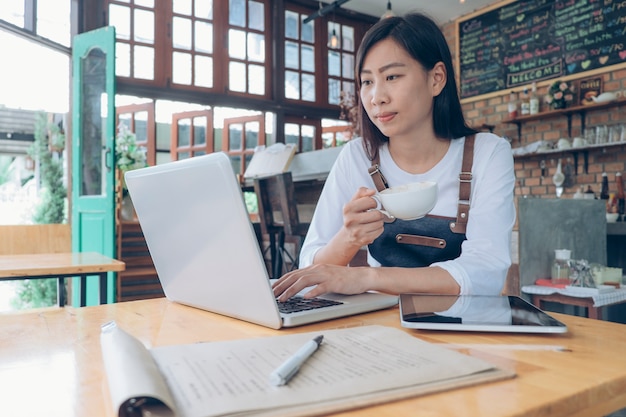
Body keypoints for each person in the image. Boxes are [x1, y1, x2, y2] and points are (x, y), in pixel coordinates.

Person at [273, 12, 515, 302]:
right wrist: (349, 239)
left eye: (392, 77)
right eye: (366, 82)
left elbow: (485, 273)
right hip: (382, 326)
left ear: (436, 78)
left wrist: (367, 277)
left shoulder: (487, 154)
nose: (377, 97)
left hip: (464, 330)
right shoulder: (358, 156)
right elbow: (310, 267)